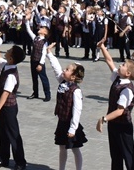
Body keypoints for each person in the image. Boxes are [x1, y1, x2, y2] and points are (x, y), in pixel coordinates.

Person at [96, 41, 134, 170]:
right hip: (114, 125)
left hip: (123, 126)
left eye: (123, 65)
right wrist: (103, 47)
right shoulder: (118, 78)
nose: (120, 65)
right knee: (115, 156)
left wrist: (104, 119)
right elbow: (109, 61)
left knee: (128, 155)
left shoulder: (126, 89)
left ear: (128, 73)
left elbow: (120, 111)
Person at [45, 42, 87, 170]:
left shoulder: (76, 90)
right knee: (62, 147)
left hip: (71, 123)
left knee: (75, 149)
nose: (64, 70)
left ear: (73, 76)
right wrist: (49, 54)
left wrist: (73, 128)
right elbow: (56, 68)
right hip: (62, 122)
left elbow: (77, 110)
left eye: (67, 70)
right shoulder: (62, 81)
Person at [0, 36, 27, 170]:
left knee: (13, 134)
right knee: (3, 134)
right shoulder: (7, 64)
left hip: (8, 108)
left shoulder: (11, 74)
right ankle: (4, 158)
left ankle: (20, 162)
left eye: (9, 50)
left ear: (11, 58)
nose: (7, 50)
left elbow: (6, 93)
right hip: (4, 107)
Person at [25, 11, 51, 102]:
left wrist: (41, 64)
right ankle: (35, 93)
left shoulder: (45, 42)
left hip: (39, 62)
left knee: (43, 78)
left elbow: (44, 53)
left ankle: (47, 94)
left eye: (42, 28)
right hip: (33, 60)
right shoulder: (35, 38)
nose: (40, 28)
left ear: (45, 33)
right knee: (34, 78)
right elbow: (28, 30)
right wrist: (27, 21)